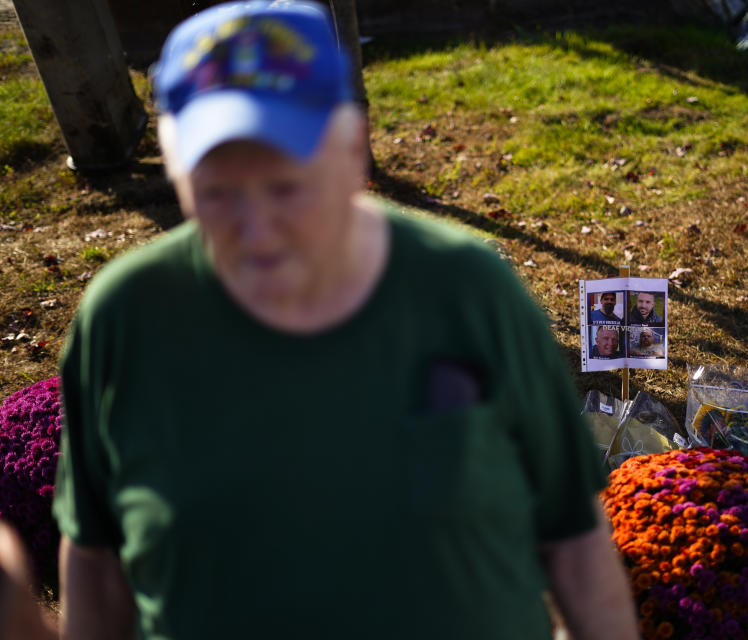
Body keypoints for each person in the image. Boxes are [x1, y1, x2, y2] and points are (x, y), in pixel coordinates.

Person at [0, 3, 639, 639]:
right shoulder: (124, 319)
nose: (256, 230)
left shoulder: (468, 291)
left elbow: (574, 537)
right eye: (217, 192)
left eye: (285, 186)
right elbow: (94, 558)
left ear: (353, 149)